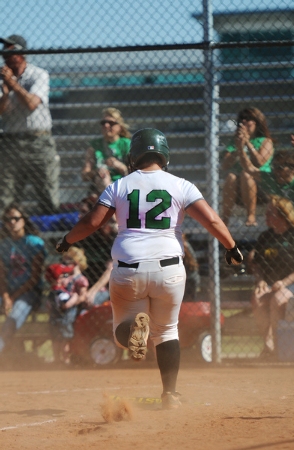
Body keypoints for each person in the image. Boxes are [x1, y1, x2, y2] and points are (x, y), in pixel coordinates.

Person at [56, 128, 243, 409]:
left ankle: (132, 331)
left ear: (133, 157)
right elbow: (212, 221)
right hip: (169, 269)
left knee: (123, 333)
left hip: (128, 269)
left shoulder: (119, 185)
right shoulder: (181, 185)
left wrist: (66, 241)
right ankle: (170, 395)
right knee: (166, 331)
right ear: (164, 155)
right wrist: (232, 247)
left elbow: (92, 223)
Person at [248, 195, 294, 357]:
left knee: (277, 299)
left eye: (270, 213)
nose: (266, 216)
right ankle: (269, 344)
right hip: (272, 283)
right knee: (257, 298)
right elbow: (256, 265)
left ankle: (279, 346)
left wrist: (285, 282)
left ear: (283, 215)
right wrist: (260, 280)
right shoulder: (265, 237)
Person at [0, 35, 60, 215]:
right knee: (6, 196)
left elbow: (31, 104)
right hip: (10, 143)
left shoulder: (38, 74)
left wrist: (13, 84)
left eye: (10, 50)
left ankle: (54, 241)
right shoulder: (2, 77)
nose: (5, 54)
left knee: (47, 193)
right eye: (4, 50)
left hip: (38, 142)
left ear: (22, 53)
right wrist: (5, 91)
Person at [239, 135, 294, 241]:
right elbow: (249, 168)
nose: (277, 170)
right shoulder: (272, 179)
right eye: (275, 166)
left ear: (293, 168)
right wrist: (241, 147)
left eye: (280, 167)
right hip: (280, 234)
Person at [0, 202, 46, 353]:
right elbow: (1, 275)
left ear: (23, 220)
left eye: (15, 218)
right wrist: (6, 296)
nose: (12, 222)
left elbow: (34, 278)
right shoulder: (3, 245)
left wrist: (12, 298)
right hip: (6, 292)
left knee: (14, 316)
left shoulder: (34, 243)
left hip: (29, 292)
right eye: (8, 220)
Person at [222, 107, 274, 226]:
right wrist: (238, 148)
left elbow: (259, 162)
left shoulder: (265, 141)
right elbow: (225, 165)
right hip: (240, 189)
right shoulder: (234, 142)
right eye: (242, 119)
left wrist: (247, 143)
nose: (244, 122)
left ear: (257, 122)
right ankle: (225, 218)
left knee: (246, 174)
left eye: (248, 119)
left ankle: (251, 216)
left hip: (262, 186)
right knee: (231, 176)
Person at [46, 247, 89, 363]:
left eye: (68, 261)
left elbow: (82, 296)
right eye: (63, 261)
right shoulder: (64, 277)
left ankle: (65, 359)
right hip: (57, 310)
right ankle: (56, 359)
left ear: (77, 262)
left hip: (69, 311)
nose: (64, 264)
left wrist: (72, 301)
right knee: (55, 336)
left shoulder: (80, 279)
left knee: (64, 336)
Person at [76, 194, 117, 307]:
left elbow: (111, 269)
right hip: (83, 285)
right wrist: (83, 290)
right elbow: (76, 264)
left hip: (106, 287)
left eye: (84, 212)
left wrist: (92, 291)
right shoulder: (82, 235)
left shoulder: (113, 237)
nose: (79, 216)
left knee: (88, 304)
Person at [81, 107, 131, 194]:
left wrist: (121, 167)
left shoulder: (127, 144)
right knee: (103, 178)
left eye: (111, 123)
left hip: (122, 186)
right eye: (103, 123)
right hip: (100, 187)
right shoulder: (94, 146)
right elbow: (84, 176)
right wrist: (97, 171)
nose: (106, 125)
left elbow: (137, 175)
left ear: (119, 126)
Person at [182, 234, 201, 301]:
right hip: (179, 277)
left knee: (195, 279)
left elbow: (194, 264)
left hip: (190, 277)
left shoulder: (186, 245)